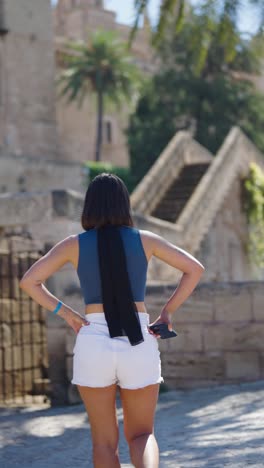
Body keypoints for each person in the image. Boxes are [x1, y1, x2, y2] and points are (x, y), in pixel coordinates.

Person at [19, 173, 205, 468]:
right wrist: (168, 311)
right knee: (142, 435)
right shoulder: (145, 240)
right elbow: (194, 269)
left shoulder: (74, 244)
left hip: (94, 340)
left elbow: (30, 281)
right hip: (139, 338)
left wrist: (67, 314)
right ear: (124, 204)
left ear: (89, 206)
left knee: (104, 442)